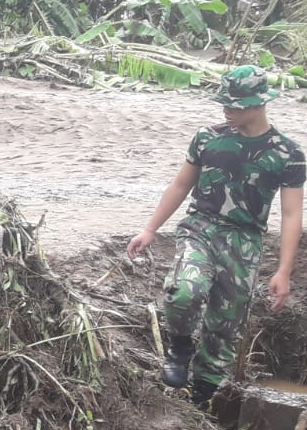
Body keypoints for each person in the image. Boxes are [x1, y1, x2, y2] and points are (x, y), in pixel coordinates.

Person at [128, 65, 304, 407]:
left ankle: (202, 396)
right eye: (224, 102)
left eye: (234, 105)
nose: (226, 110)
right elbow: (181, 184)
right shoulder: (208, 138)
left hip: (245, 242)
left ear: (258, 104)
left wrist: (283, 270)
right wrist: (150, 229)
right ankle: (180, 348)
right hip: (201, 228)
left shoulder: (288, 154)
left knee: (225, 325)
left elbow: (292, 215)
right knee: (184, 292)